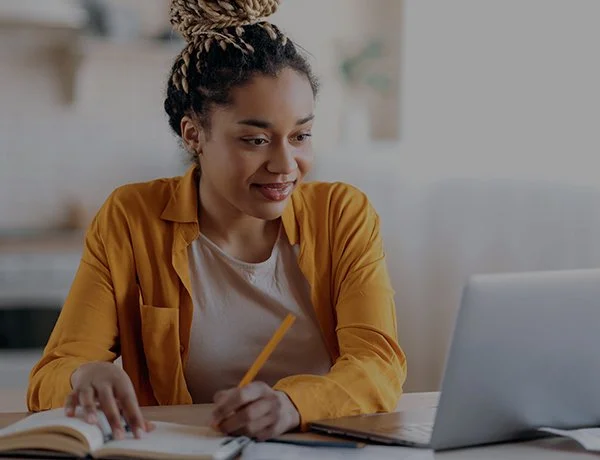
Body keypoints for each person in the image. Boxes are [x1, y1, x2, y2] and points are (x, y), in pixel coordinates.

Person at [27, 0, 406, 442]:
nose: (286, 164)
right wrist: (82, 377)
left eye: (301, 135)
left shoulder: (343, 215)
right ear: (193, 134)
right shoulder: (131, 219)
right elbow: (51, 375)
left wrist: (291, 405)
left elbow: (378, 364)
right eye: (255, 139)